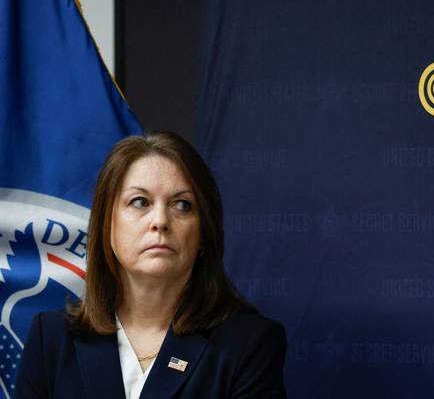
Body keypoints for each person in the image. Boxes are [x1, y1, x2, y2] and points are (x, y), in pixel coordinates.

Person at [15, 132, 287, 398]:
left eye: (182, 205)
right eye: (140, 202)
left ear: (204, 231)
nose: (160, 221)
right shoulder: (50, 339)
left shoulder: (249, 345)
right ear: (107, 225)